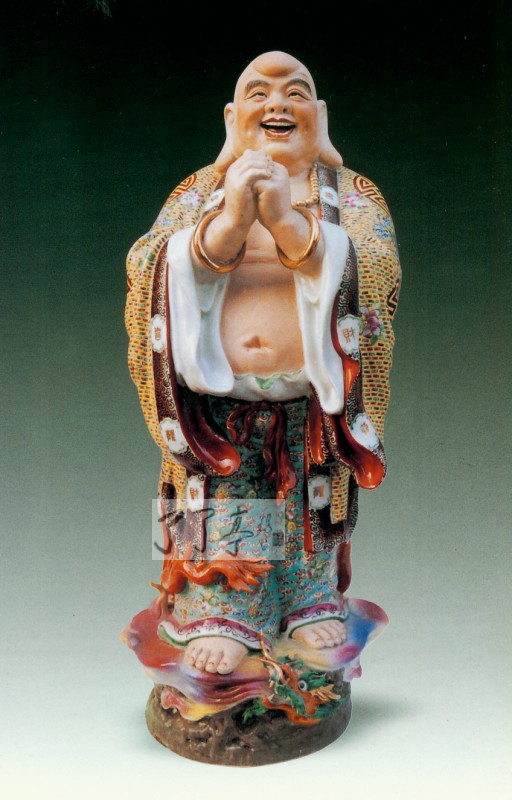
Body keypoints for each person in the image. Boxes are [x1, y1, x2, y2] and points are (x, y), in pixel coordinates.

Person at [125, 51, 401, 678]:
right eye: (259, 92)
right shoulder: (198, 190)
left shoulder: (351, 193)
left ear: (320, 117)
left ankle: (308, 598)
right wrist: (227, 225)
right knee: (222, 500)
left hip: (310, 395)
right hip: (214, 401)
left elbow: (377, 265)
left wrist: (285, 221)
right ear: (232, 119)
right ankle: (219, 612)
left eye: (295, 92)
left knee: (309, 498)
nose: (277, 103)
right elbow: (146, 264)